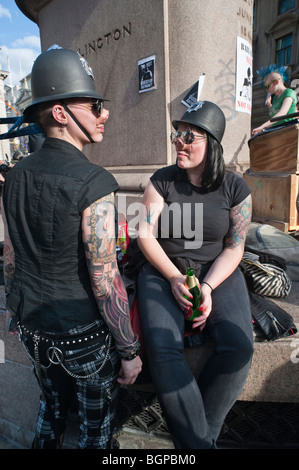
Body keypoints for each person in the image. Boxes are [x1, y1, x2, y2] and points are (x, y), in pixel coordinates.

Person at [1, 46, 142, 449]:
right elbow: (104, 278)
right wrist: (129, 350)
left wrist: (18, 312)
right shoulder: (94, 182)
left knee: (51, 412)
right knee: (96, 433)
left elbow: (10, 256)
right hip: (82, 334)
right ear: (60, 113)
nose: (105, 114)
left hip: (32, 324)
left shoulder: (14, 176)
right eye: (95, 105)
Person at [137, 101, 254, 449]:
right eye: (178, 135)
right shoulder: (161, 180)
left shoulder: (236, 188)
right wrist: (174, 278)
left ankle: (201, 436)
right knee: (162, 346)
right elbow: (143, 233)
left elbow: (235, 246)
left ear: (212, 143)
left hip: (216, 269)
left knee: (239, 346)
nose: (179, 142)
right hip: (162, 269)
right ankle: (199, 444)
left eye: (190, 136)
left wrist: (207, 287)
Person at [252, 64, 297, 135]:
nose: (267, 90)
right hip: (277, 132)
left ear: (275, 82)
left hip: (288, 132)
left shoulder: (289, 93)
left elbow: (282, 113)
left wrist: (262, 127)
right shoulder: (275, 98)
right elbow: (275, 116)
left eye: (267, 86)